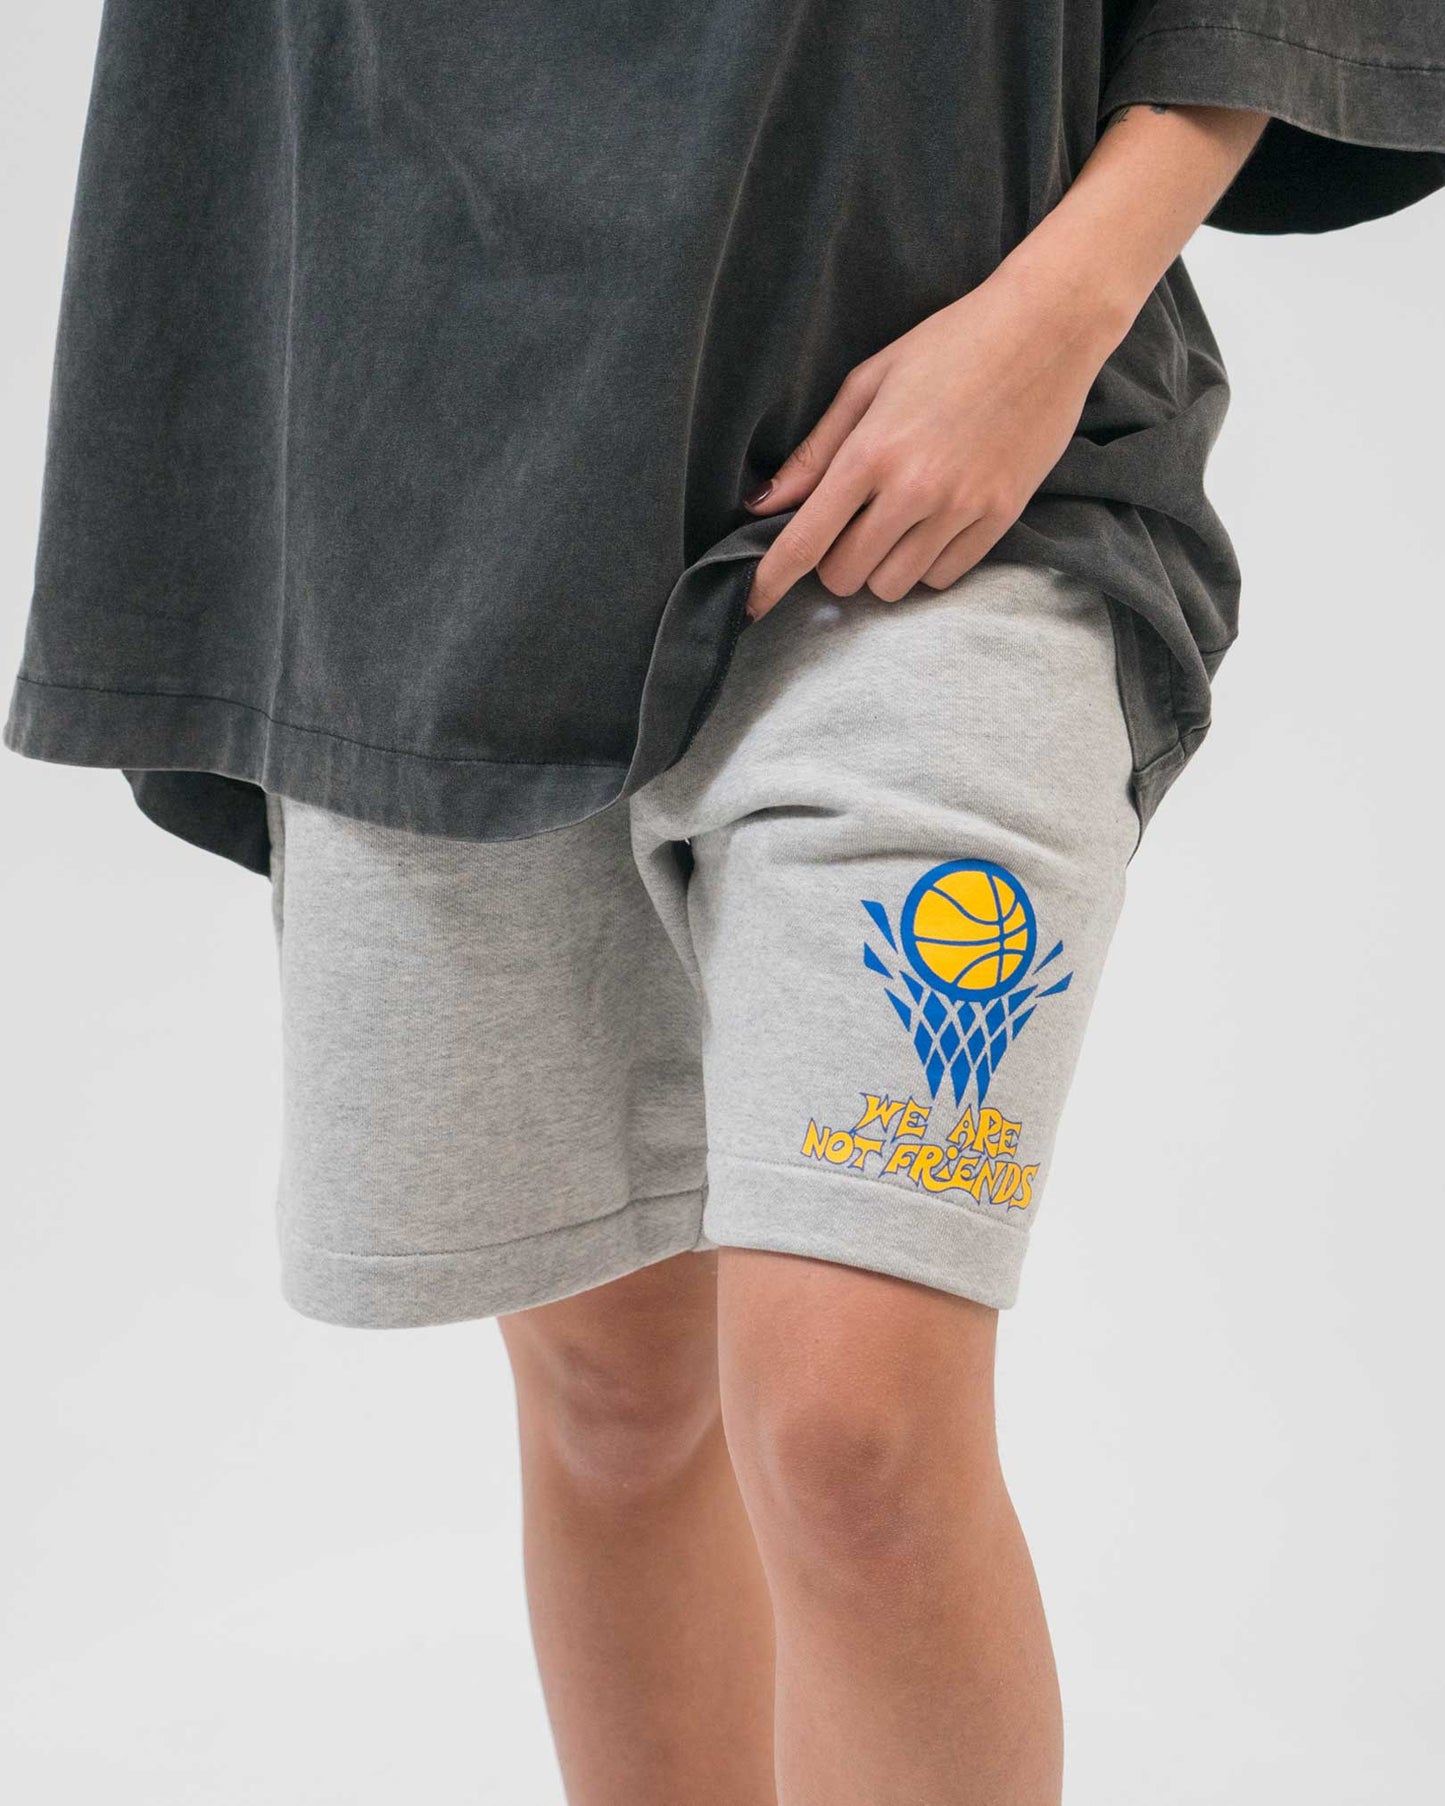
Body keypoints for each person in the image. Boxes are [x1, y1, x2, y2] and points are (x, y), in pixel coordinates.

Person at [5, 6, 1443, 1802]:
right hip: (427, 475)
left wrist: (1058, 311)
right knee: (614, 1394)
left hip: (956, 472)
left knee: (856, 1426)